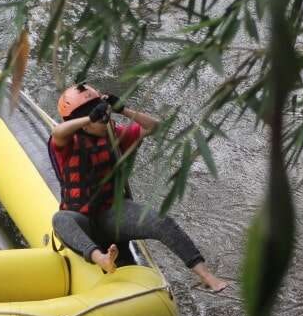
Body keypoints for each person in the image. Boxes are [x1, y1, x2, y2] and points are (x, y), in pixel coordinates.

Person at [48, 83, 229, 292]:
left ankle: (206, 276)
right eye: (99, 117)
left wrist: (123, 109)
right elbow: (58, 132)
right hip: (81, 219)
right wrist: (90, 118)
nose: (105, 119)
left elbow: (154, 127)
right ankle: (101, 258)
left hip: (110, 215)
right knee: (60, 219)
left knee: (161, 221)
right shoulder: (66, 143)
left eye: (104, 113)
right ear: (83, 124)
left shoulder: (115, 134)